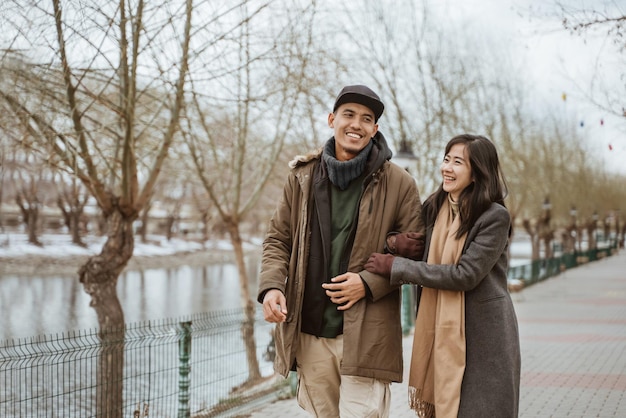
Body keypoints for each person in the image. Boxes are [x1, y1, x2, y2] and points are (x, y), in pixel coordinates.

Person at [258, 84, 424, 418]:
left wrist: (367, 283)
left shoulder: (400, 183)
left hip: (367, 334)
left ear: (375, 130)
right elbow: (278, 238)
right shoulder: (302, 176)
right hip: (310, 330)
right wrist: (271, 287)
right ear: (332, 119)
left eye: (367, 119)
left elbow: (414, 251)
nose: (356, 124)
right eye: (349, 114)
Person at [365, 134, 521, 417]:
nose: (446, 167)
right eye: (446, 159)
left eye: (457, 162)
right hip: (440, 327)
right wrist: (395, 244)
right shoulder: (435, 207)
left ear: (478, 171)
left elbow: (465, 274)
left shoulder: (493, 217)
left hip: (483, 335)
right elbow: (426, 249)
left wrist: (397, 266)